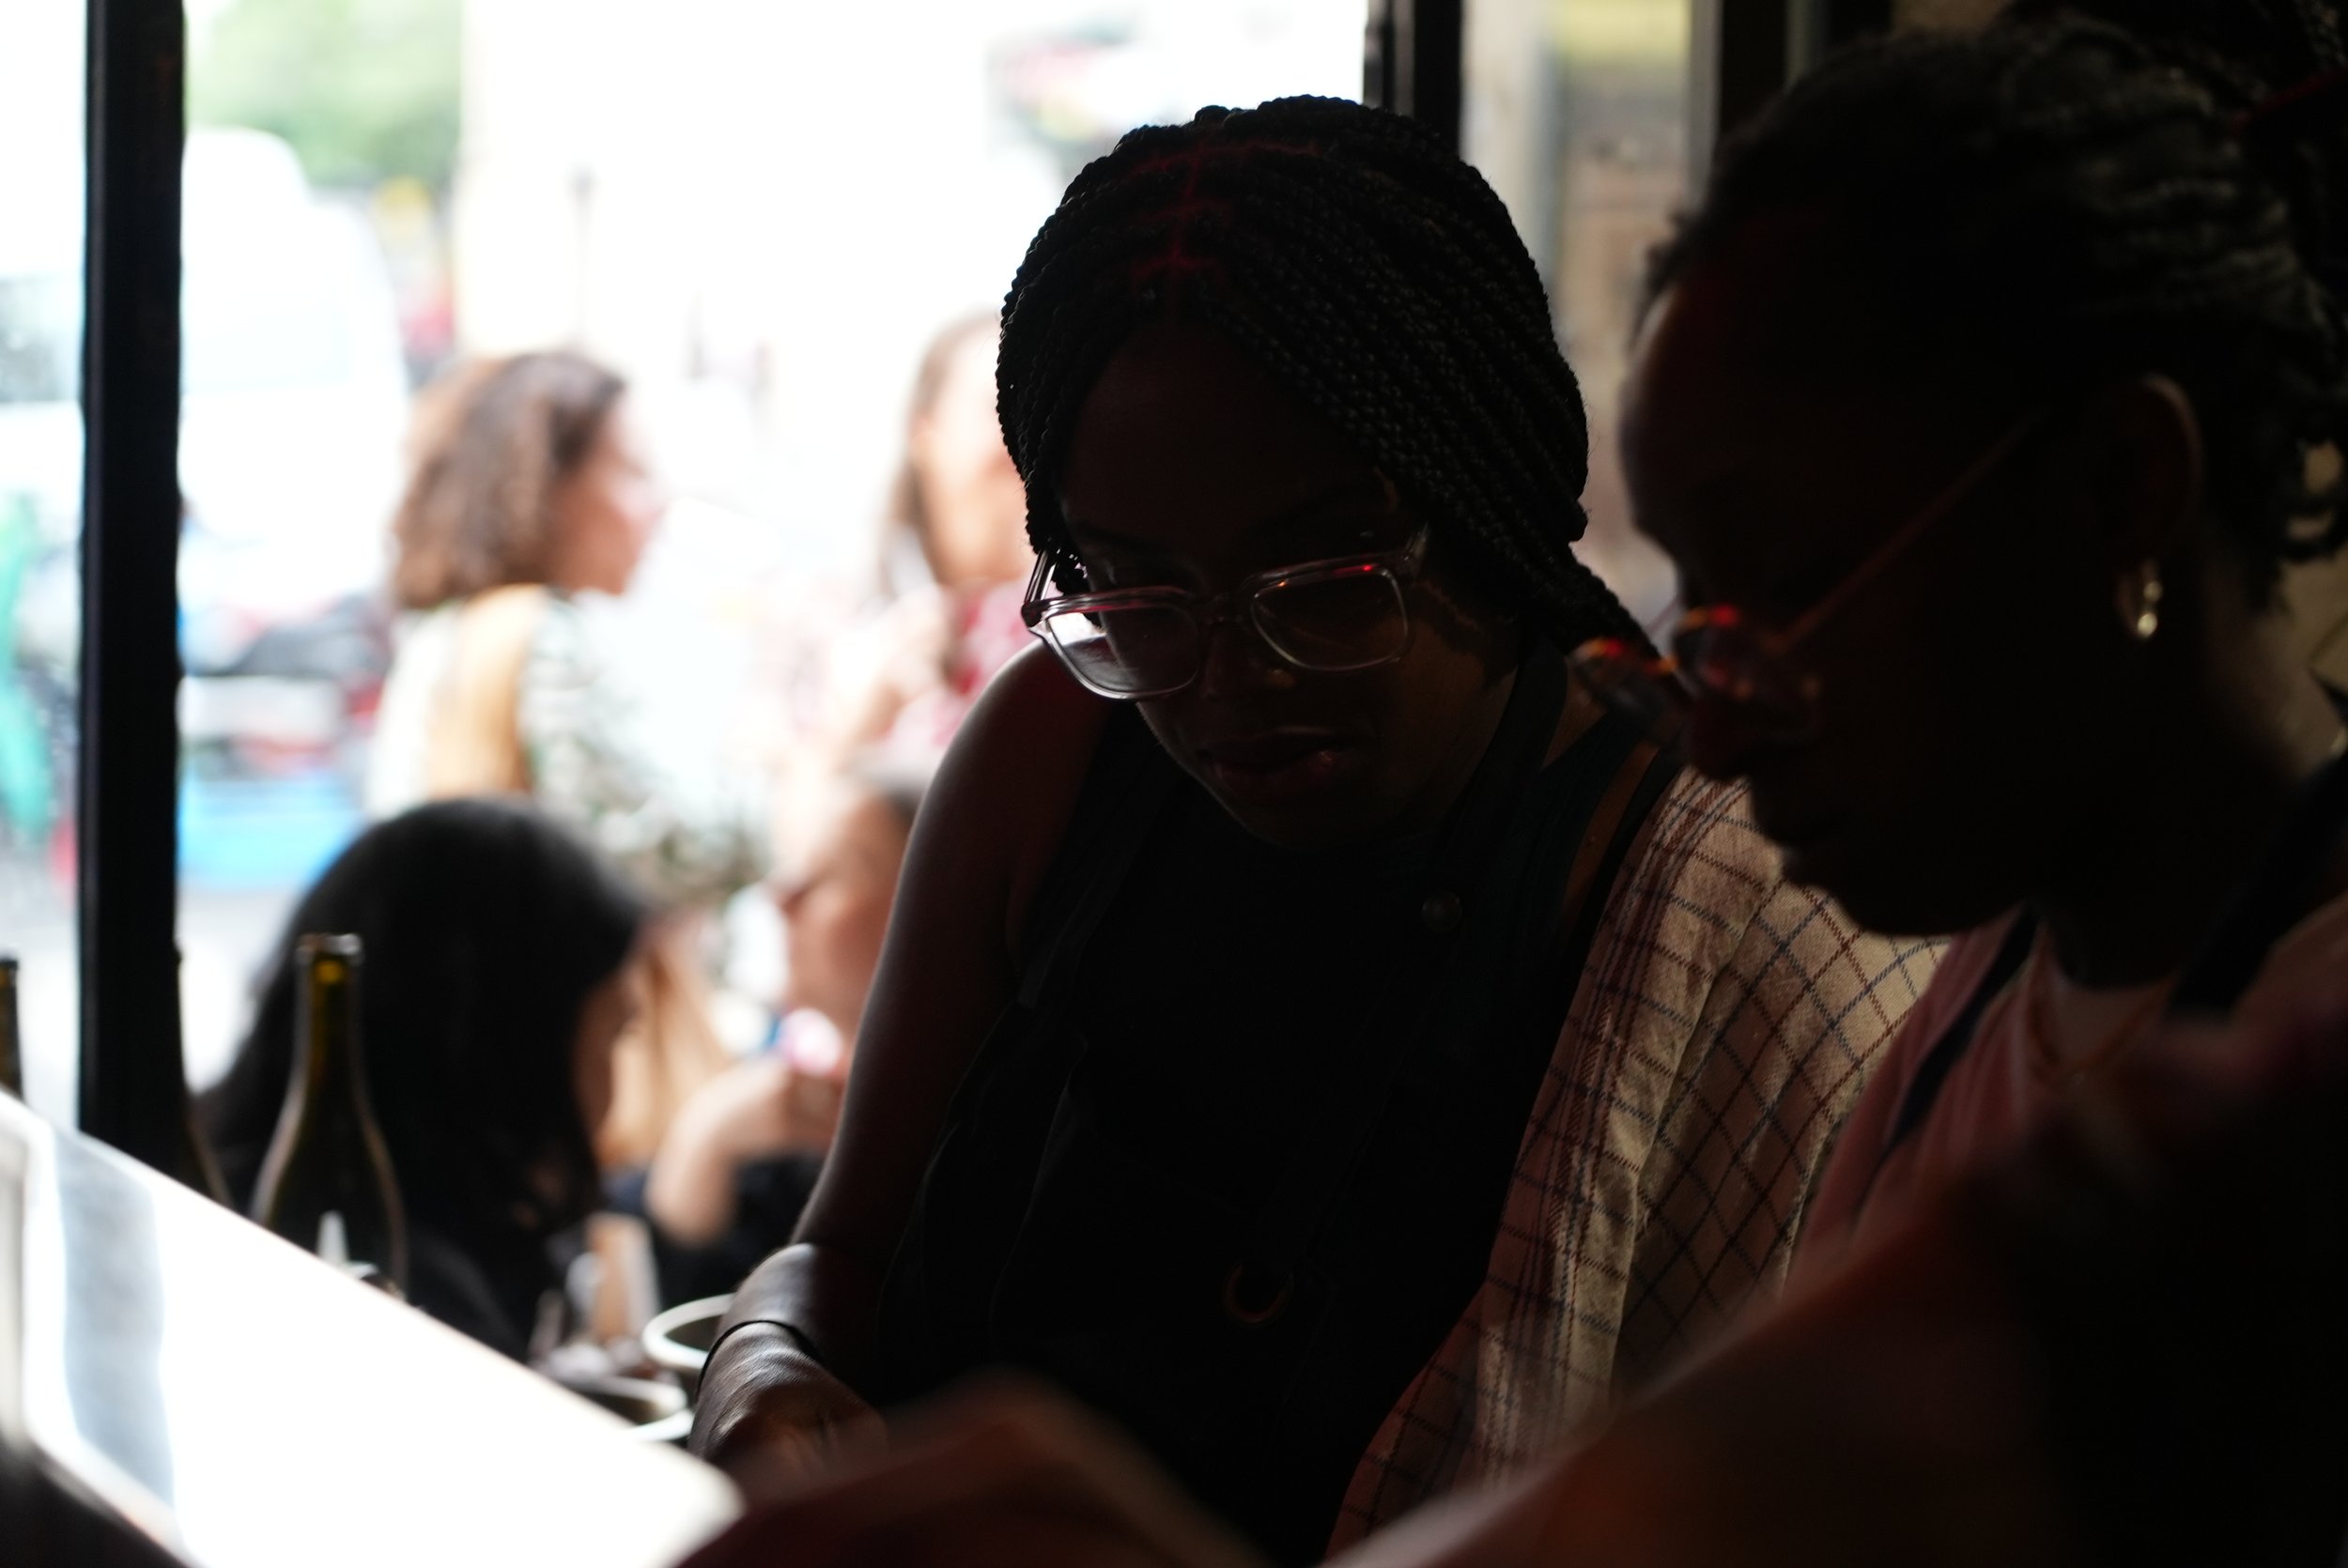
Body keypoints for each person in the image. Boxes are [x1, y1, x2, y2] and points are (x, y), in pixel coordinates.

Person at [691, 96, 1937, 1563]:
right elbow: (842, 1253)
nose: (1229, 679)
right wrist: (761, 1370)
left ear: (1488, 509)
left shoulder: (1705, 896)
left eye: (1323, 581)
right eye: (1137, 593)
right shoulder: (1055, 747)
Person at [1584, 1, 2348, 1273]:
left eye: (1792, 589)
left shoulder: (2302, 1094)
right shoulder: (2005, 981)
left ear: (2123, 484)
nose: (1713, 734)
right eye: (1703, 618)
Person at [369, 349, 769, 1167]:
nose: (653, 508)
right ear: (544, 487)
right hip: (540, 1084)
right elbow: (688, 850)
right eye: (629, 473)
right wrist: (801, 762)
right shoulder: (543, 642)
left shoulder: (445, 634)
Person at [202, 798, 645, 1360]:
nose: (617, 1095)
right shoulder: (419, 1312)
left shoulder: (234, 1194)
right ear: (514, 1051)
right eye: (615, 1037)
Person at [641, 762, 927, 1302]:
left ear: (937, 909)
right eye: (796, 862)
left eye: (835, 870)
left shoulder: (969, 1153)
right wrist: (703, 1142)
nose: (781, 894)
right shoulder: (783, 1103)